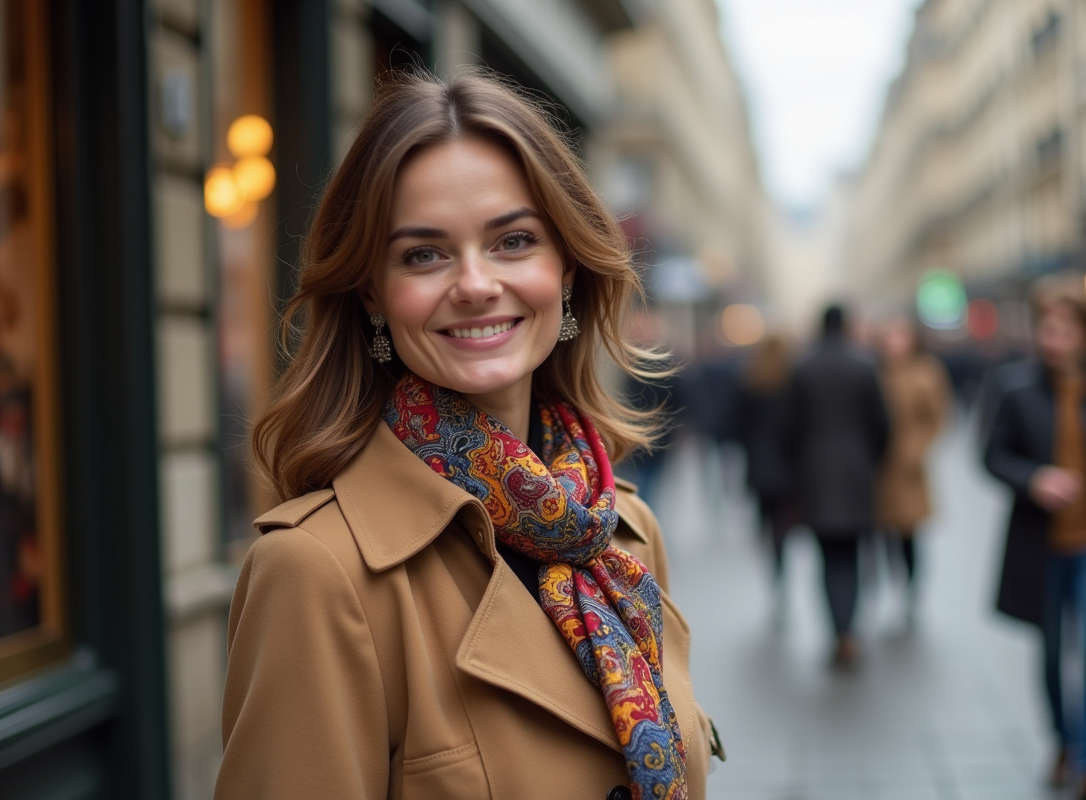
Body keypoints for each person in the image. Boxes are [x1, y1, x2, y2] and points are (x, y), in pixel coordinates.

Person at [215, 70, 718, 800]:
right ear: (373, 295)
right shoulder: (316, 573)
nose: (476, 283)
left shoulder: (623, 533)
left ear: (567, 270)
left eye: (513, 240)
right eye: (424, 254)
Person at [982, 275, 1086, 800]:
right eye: (1047, 329)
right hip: (1039, 548)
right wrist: (1033, 478)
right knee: (1049, 655)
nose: (1053, 340)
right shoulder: (1015, 389)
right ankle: (1063, 742)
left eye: (1065, 330)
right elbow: (992, 455)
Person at [780, 305, 890, 668]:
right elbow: (882, 424)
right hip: (856, 473)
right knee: (852, 555)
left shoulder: (803, 366)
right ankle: (848, 631)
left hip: (815, 474)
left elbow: (788, 426)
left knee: (827, 558)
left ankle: (837, 629)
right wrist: (869, 460)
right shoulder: (865, 365)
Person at [874, 316, 951, 623]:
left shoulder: (927, 373)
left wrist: (915, 450)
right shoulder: (875, 373)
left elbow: (937, 418)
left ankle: (910, 587)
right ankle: (888, 584)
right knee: (881, 532)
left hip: (908, 469)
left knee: (908, 532)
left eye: (899, 337)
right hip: (878, 467)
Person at [732, 334, 795, 608]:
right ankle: (782, 564)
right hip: (788, 465)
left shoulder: (750, 380)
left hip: (759, 464)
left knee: (766, 523)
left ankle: (776, 573)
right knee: (784, 522)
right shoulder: (792, 382)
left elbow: (735, 425)